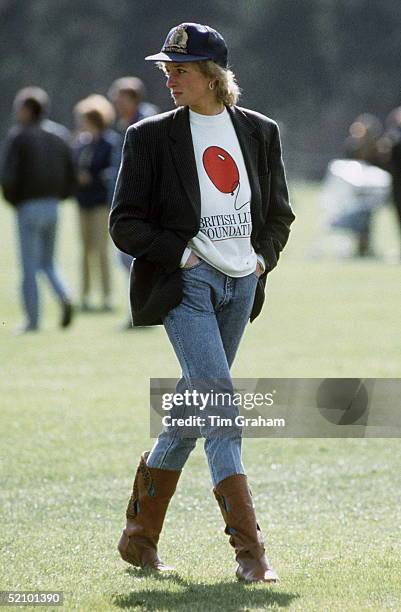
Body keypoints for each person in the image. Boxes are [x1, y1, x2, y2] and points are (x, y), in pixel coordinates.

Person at [109, 23, 295, 582]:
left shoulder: (260, 132)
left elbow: (280, 214)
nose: (169, 78)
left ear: (213, 77)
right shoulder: (148, 137)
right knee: (221, 407)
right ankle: (251, 555)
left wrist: (261, 258)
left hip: (243, 285)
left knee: (195, 406)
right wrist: (182, 255)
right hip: (186, 286)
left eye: (180, 69)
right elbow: (124, 223)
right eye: (166, 69)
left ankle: (138, 538)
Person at [1, 86, 75, 333]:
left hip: (28, 206)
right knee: (48, 262)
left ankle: (32, 321)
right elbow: (71, 172)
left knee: (29, 266)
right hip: (53, 205)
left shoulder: (19, 136)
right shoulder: (59, 134)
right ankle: (64, 294)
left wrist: (14, 201)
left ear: (27, 109)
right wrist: (61, 196)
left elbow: (8, 176)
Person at [107, 77, 159, 328]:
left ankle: (146, 311)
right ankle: (143, 310)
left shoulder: (145, 121)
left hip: (144, 204)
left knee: (132, 258)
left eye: (120, 98)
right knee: (129, 259)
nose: (116, 103)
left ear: (133, 98)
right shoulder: (125, 123)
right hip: (131, 201)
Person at [73, 95, 117, 312]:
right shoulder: (81, 143)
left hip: (101, 203)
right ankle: (85, 296)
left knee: (101, 250)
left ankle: (107, 297)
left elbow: (113, 170)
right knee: (85, 250)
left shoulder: (110, 142)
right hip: (83, 203)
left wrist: (95, 177)